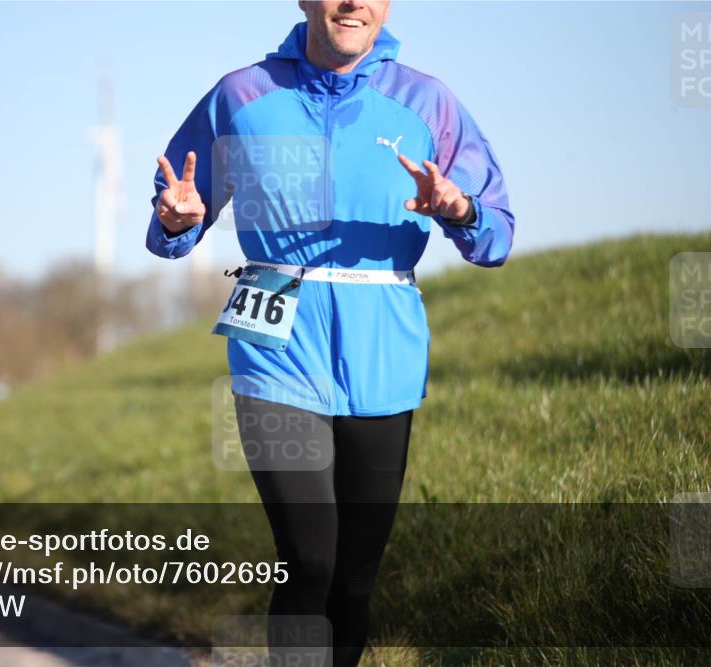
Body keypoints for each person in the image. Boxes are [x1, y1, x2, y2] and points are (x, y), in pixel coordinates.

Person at [144, 2, 514, 665]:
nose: (353, 3)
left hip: (384, 352)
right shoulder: (242, 95)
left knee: (352, 579)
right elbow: (175, 208)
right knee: (309, 557)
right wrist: (178, 221)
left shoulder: (429, 103)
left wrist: (459, 207)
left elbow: (497, 234)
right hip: (274, 343)